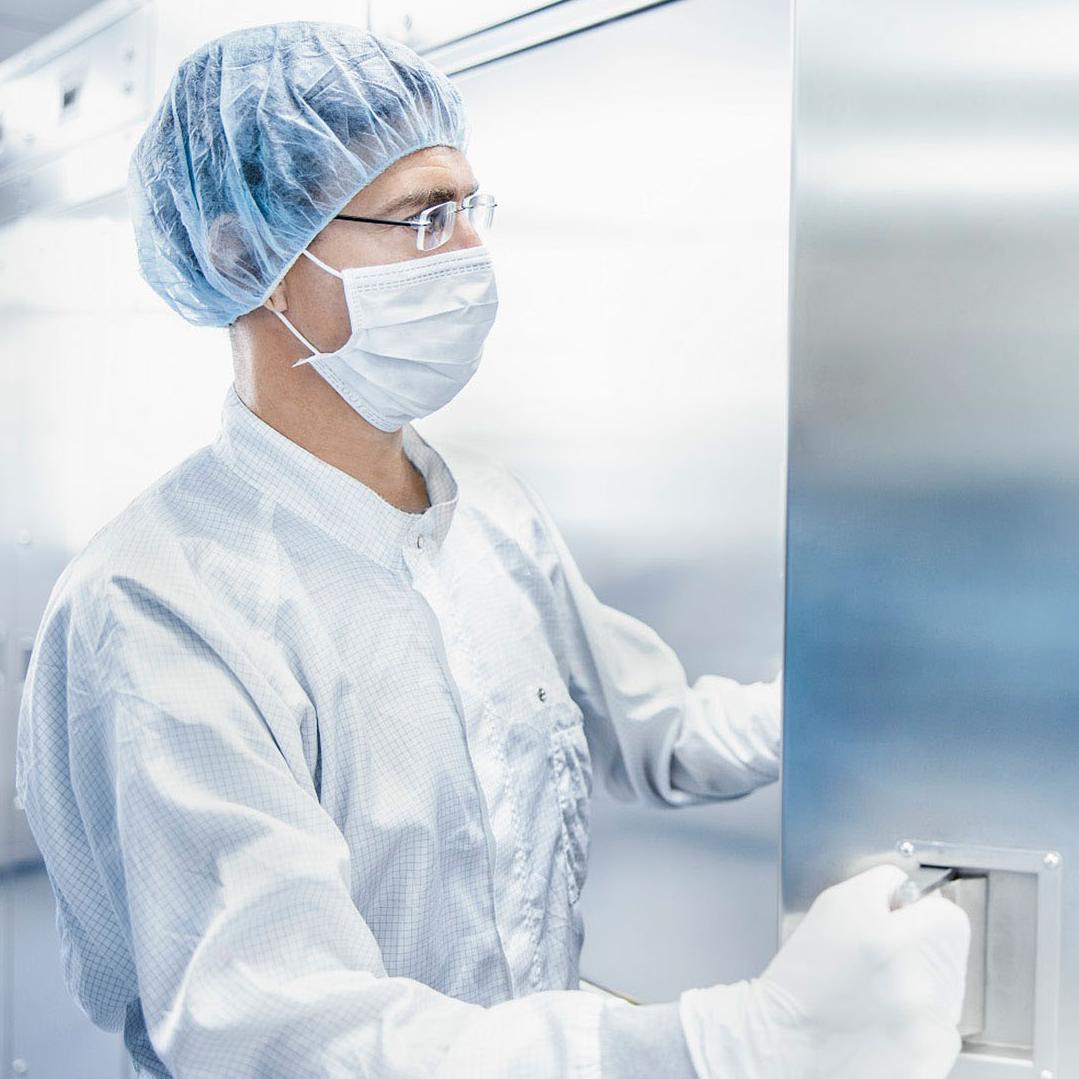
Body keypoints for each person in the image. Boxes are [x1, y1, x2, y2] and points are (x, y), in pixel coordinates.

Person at [14, 20, 970, 1079]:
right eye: (424, 217)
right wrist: (715, 1043)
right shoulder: (158, 602)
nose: (469, 254)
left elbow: (659, 733)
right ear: (250, 256)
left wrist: (865, 697)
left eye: (471, 209)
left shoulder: (491, 516)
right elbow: (281, 1029)